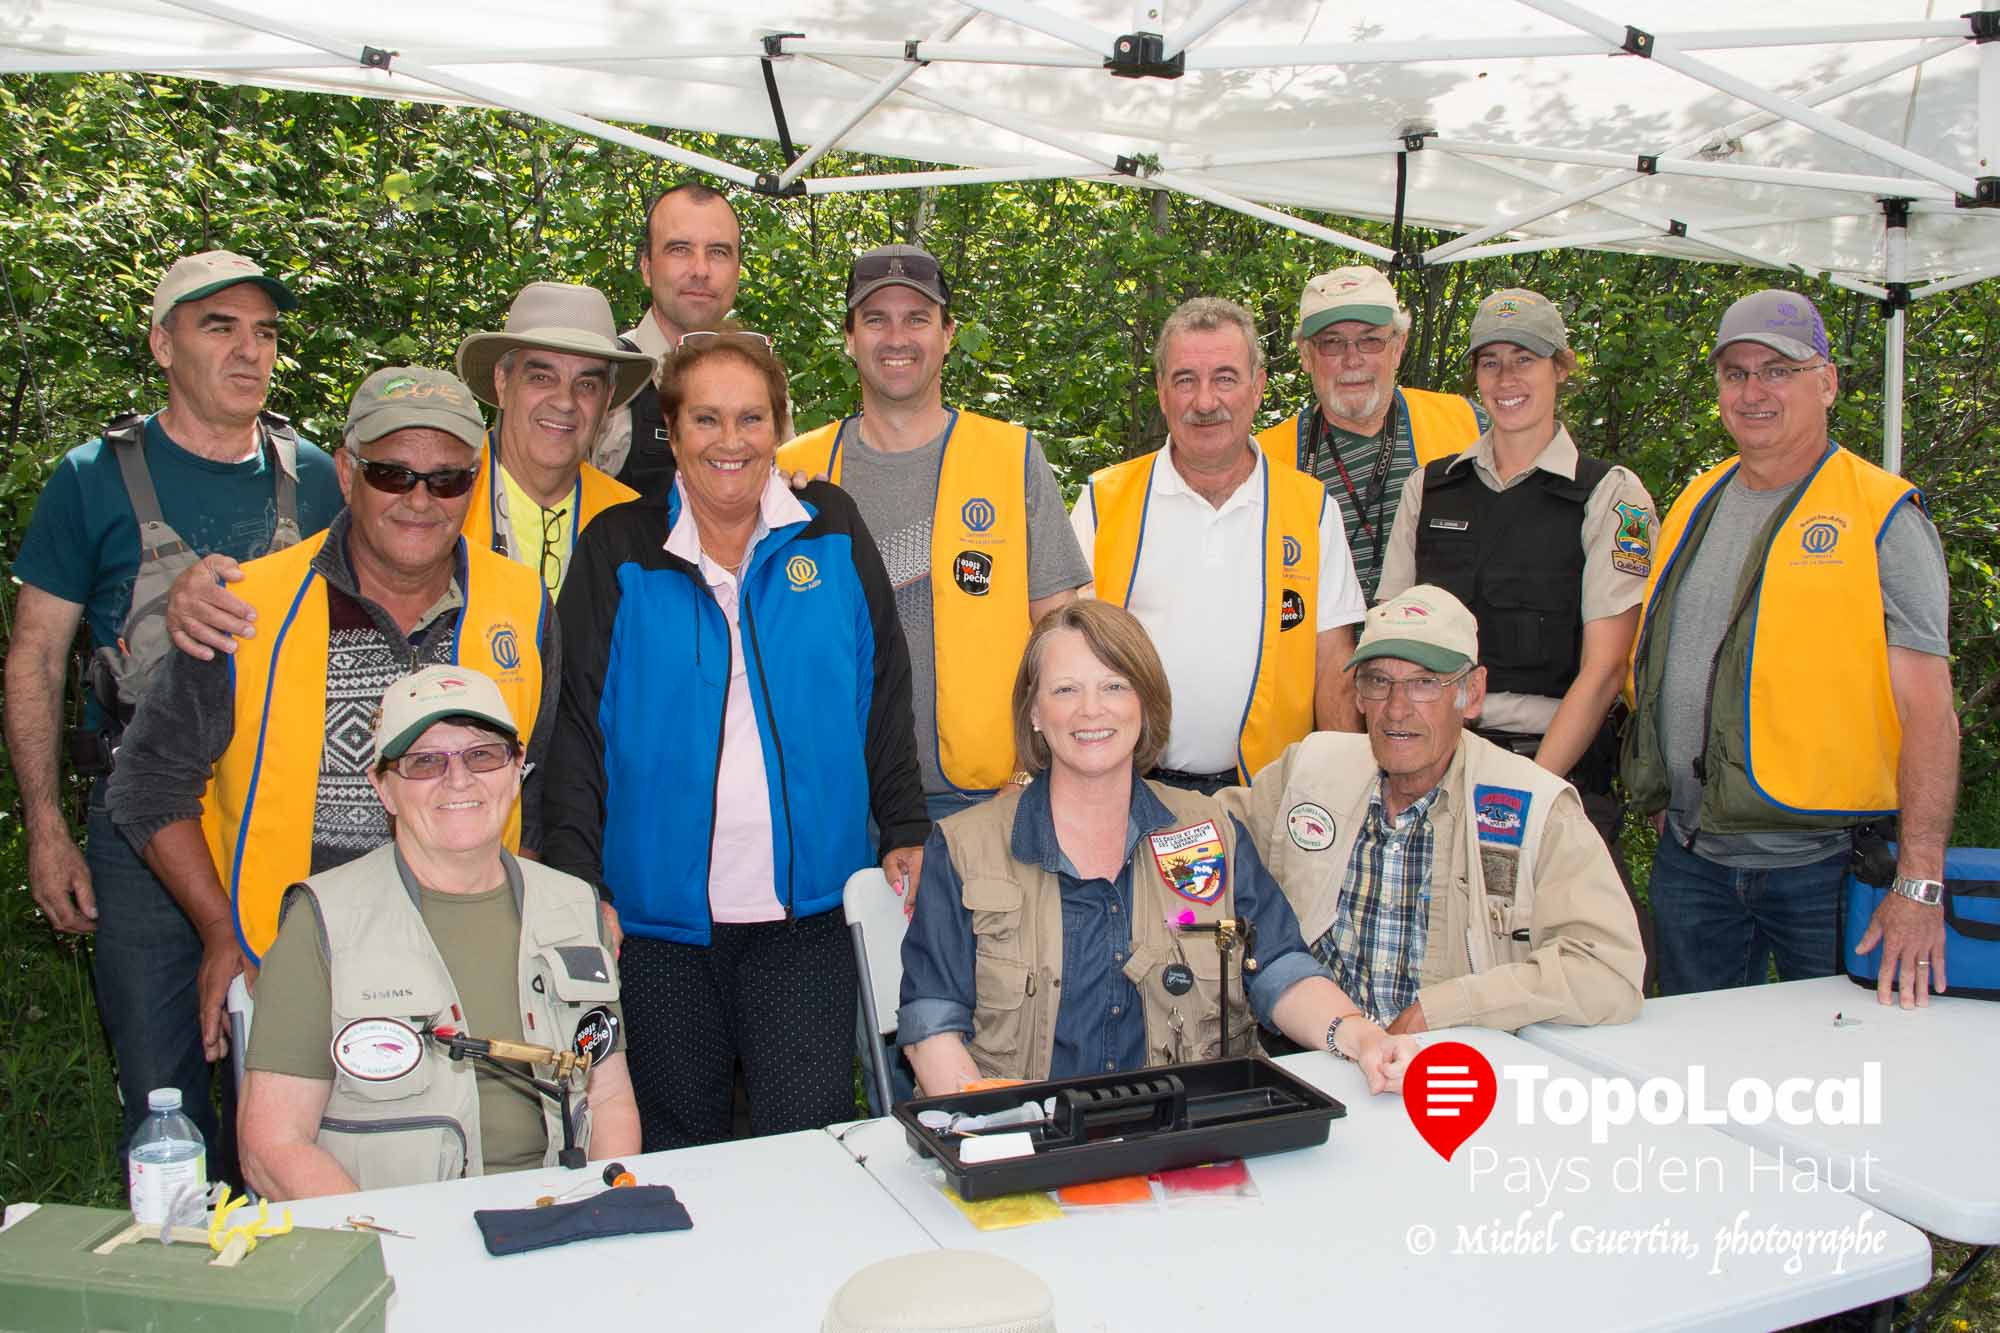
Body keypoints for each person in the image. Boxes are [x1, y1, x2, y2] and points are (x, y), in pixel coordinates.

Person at [107, 365, 558, 1070]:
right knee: (286, 1171)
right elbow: (147, 784)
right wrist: (221, 930)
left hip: (475, 971)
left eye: (448, 479)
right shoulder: (246, 607)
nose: (419, 499)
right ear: (346, 471)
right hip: (292, 972)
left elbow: (542, 786)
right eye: (391, 473)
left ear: (475, 484)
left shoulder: (522, 604)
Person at [544, 332, 929, 1149]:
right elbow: (577, 733)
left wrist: (904, 826)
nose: (731, 441)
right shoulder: (618, 549)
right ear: (673, 430)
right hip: (657, 929)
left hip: (808, 916)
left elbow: (882, 691)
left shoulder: (830, 530)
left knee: (809, 1147)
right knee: (676, 1150)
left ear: (779, 426)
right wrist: (579, 885)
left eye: (751, 418)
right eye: (707, 419)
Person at [4, 249, 342, 1172]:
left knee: (297, 1089)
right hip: (139, 825)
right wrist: (45, 828)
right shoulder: (93, 477)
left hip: (279, 820)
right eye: (218, 327)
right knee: (166, 1091)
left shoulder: (312, 476)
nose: (249, 352)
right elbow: (35, 657)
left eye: (265, 333)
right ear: (162, 343)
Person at [898, 599, 1416, 1094]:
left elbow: (1280, 969)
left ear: (1145, 702)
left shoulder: (1213, 831)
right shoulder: (965, 848)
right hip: (1030, 1143)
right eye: (1065, 690)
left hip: (1193, 1141)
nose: (1091, 710)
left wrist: (1357, 1034)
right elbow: (931, 1027)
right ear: (1034, 711)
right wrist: (997, 1134)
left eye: (1115, 685)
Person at [1622, 290, 1958, 1006]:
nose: (1754, 391)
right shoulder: (1696, 499)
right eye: (1736, 372)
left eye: (1777, 370)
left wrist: (1920, 881)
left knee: (1845, 1081)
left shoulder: (1882, 514)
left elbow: (1930, 712)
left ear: (1827, 382)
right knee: (1697, 1078)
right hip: (1692, 860)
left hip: (1826, 867)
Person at [239, 665, 639, 1197]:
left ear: (517, 769)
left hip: (562, 1221)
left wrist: (601, 1212)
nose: (459, 780)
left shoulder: (573, 907)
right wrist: (387, 1252)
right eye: (425, 761)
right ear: (382, 787)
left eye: (483, 755)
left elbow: (609, 1100)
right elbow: (273, 1145)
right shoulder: (322, 921)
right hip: (394, 1237)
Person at [1376, 287, 1657, 976]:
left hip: (1550, 772)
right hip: (1435, 764)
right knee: (1430, 971)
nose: (1507, 379)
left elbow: (1603, 672)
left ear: (1561, 368)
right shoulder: (1432, 487)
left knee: (1559, 974)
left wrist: (1525, 793)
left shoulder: (1609, 495)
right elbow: (1389, 646)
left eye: (1525, 360)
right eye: (1491, 362)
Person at [1220, 586, 1645, 1033]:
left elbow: (1608, 971)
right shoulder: (1309, 770)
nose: (1397, 710)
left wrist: (1449, 1009)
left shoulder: (1534, 808)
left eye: (1425, 683)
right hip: (1312, 1056)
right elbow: (1206, 837)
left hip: (1459, 1071)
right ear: (1358, 695)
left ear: (1472, 693)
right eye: (1379, 681)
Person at [777, 244, 1090, 821]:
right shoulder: (794, 471)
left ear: (948, 334)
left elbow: (1061, 632)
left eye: (917, 318)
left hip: (989, 796)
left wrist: (1039, 770)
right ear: (849, 337)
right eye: (876, 320)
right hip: (836, 799)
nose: (897, 337)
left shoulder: (1010, 456)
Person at [1072, 297, 1368, 791]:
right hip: (1127, 789)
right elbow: (1062, 653)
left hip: (1267, 793)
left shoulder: (1310, 509)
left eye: (1225, 378)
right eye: (1186, 379)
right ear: (1162, 393)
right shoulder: (1104, 501)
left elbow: (1332, 666)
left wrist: (1345, 794)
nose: (1205, 402)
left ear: (1257, 389)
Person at [1258, 265, 1486, 599]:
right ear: (1306, 355)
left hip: (1442, 645)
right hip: (1317, 650)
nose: (1353, 360)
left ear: (1398, 347)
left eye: (1370, 341)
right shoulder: (1262, 460)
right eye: (1332, 343)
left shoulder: (1470, 425)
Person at [455, 281, 656, 597]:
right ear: (502, 382)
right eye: (541, 378)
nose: (565, 401)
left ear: (608, 400)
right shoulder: (442, 497)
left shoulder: (632, 521)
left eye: (587, 384)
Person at [591, 181, 743, 495]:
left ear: (738, 271)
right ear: (646, 268)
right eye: (679, 249)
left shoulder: (761, 383)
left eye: (718, 252)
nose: (700, 269)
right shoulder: (603, 376)